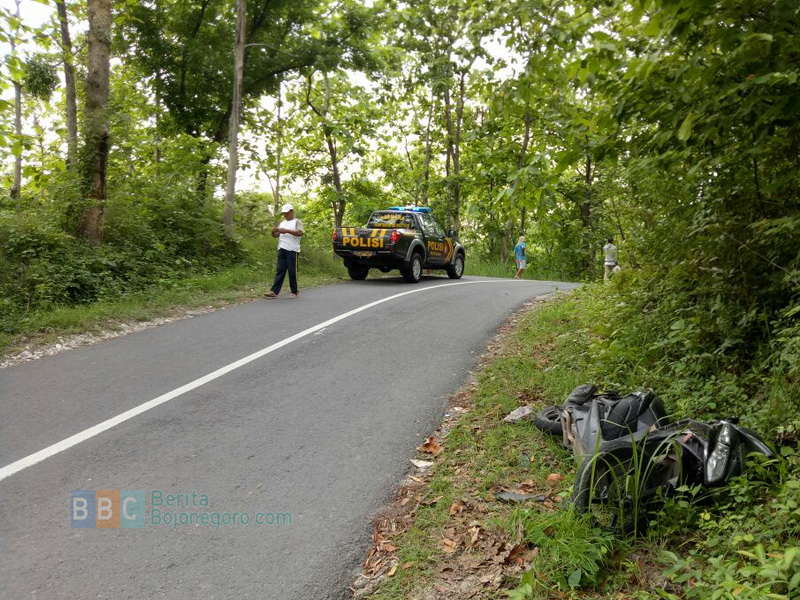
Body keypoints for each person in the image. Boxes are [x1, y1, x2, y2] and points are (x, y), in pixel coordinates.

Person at [265, 203, 304, 298]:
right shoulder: (282, 223)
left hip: (292, 249)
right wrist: (273, 232)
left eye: (286, 213)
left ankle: (294, 292)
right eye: (283, 213)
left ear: (291, 211)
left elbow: (300, 233)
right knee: (280, 270)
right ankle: (274, 292)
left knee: (292, 271)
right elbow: (276, 235)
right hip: (282, 248)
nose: (285, 215)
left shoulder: (297, 222)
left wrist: (286, 231)